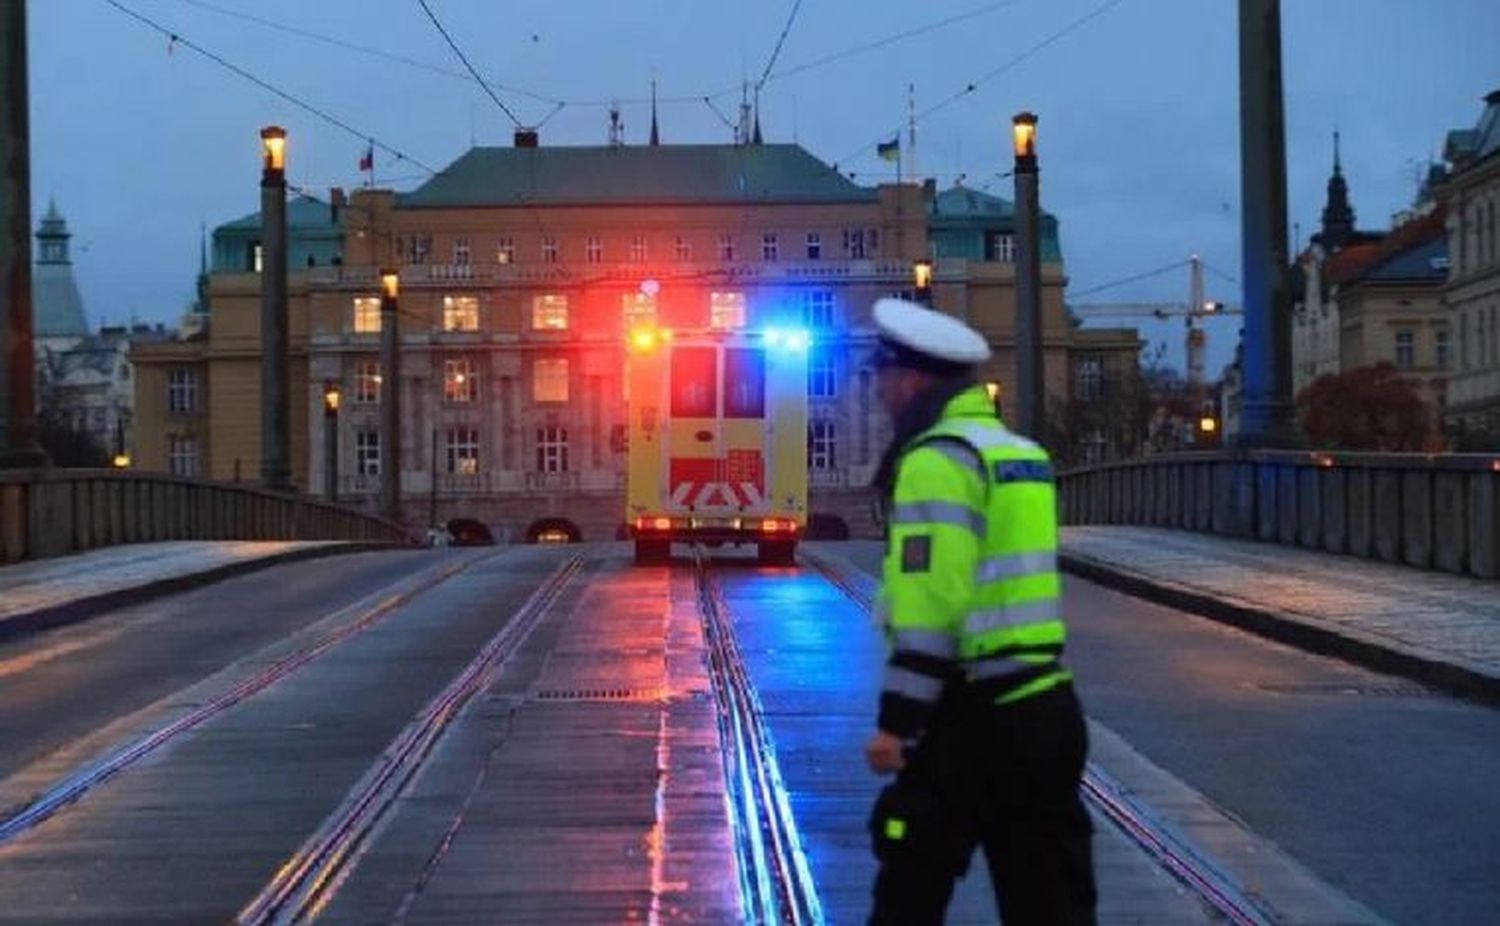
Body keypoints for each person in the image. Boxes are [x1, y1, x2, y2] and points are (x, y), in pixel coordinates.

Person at [863, 297, 1096, 925]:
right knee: (1050, 903)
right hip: (1047, 707)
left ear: (910, 380)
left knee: (908, 896)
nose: (879, 395)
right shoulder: (1018, 453)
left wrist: (897, 723)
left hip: (971, 720)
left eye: (881, 380)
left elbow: (931, 603)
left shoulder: (937, 462)